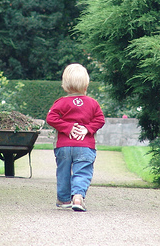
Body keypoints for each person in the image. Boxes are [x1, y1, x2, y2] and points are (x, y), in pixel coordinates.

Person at [46, 63, 105, 212]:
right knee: (82, 171)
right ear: (86, 85)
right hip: (85, 146)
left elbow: (51, 118)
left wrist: (68, 127)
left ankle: (64, 199)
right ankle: (78, 196)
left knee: (63, 171)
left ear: (65, 85)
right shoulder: (93, 103)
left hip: (64, 146)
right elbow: (100, 120)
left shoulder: (60, 102)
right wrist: (87, 129)